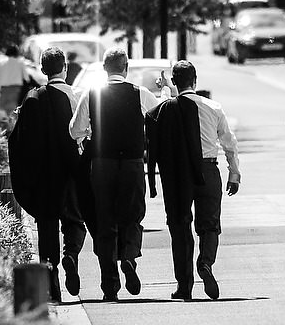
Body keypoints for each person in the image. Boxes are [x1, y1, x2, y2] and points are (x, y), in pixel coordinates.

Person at [69, 47, 160, 301]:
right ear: (126, 67)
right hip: (132, 163)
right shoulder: (139, 93)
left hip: (102, 163)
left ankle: (109, 284)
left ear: (104, 69)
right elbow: (159, 119)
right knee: (132, 215)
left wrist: (89, 134)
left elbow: (75, 130)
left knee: (105, 218)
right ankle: (129, 258)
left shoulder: (92, 94)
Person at [144, 60, 240, 301]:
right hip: (208, 170)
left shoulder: (166, 109)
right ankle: (205, 263)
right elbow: (229, 143)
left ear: (175, 82)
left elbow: (160, 112)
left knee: (179, 225)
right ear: (195, 81)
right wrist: (234, 173)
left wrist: (166, 89)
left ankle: (184, 285)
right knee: (209, 224)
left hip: (179, 174)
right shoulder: (213, 107)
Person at [8, 48, 87, 303]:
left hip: (43, 178)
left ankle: (51, 279)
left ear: (42, 70)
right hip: (69, 174)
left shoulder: (32, 99)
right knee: (75, 222)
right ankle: (72, 254)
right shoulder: (75, 97)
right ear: (65, 68)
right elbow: (83, 134)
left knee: (47, 228)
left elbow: (18, 141)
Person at [0, 45, 32, 120]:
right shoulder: (20, 62)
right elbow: (26, 78)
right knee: (13, 110)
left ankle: (6, 126)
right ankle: (12, 127)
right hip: (16, 90)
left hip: (4, 89)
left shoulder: (1, 62)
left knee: (4, 111)